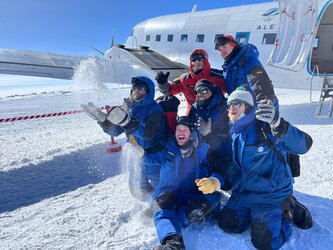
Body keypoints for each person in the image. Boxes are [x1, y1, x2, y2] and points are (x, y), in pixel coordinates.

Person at [215, 34, 313, 230]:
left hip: (259, 113)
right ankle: (258, 198)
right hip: (242, 113)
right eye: (219, 48)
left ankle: (285, 202)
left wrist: (266, 110)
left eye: (224, 45)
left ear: (234, 44)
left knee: (272, 152)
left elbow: (260, 83)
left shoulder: (247, 59)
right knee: (245, 156)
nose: (221, 50)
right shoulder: (231, 65)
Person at [217, 88, 313, 250]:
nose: (231, 107)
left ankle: (288, 208)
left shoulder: (265, 127)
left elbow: (304, 145)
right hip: (245, 193)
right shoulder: (235, 132)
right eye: (229, 104)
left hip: (270, 195)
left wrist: (279, 124)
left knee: (265, 243)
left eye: (237, 103)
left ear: (247, 107)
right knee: (228, 224)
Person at [81, 76, 167, 202]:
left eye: (141, 88)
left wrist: (129, 123)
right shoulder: (130, 108)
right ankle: (153, 205)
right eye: (134, 88)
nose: (136, 91)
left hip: (153, 156)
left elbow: (149, 133)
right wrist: (103, 121)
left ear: (148, 91)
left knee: (161, 190)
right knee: (138, 190)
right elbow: (116, 131)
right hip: (136, 155)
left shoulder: (155, 109)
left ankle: (163, 212)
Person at [153, 116, 227, 250]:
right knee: (161, 205)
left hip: (199, 196)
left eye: (185, 130)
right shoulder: (166, 149)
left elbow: (220, 171)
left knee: (194, 213)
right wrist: (140, 150)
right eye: (178, 129)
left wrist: (214, 181)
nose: (180, 133)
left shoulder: (205, 150)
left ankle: (175, 215)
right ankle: (172, 243)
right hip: (173, 195)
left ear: (192, 133)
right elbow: (149, 158)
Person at [155, 49, 226, 115]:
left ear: (206, 64)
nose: (196, 68)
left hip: (216, 117)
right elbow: (169, 91)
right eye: (193, 65)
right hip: (192, 116)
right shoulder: (184, 79)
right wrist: (162, 83)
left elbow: (232, 90)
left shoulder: (218, 78)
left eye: (199, 65)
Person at [188, 79, 232, 174]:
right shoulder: (195, 108)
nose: (200, 94)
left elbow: (230, 142)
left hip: (224, 159)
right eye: (197, 91)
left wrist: (209, 135)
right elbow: (189, 125)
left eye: (204, 90)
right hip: (201, 157)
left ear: (212, 90)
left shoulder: (225, 107)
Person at [214, 34, 275, 103]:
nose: (222, 52)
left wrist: (265, 105)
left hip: (258, 109)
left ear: (233, 46)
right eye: (219, 50)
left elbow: (261, 84)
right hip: (240, 108)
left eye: (224, 47)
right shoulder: (229, 67)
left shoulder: (248, 60)